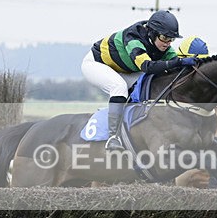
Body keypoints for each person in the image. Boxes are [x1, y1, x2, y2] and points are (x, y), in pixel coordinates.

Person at [81, 10, 198, 151]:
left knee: (144, 85)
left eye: (171, 39)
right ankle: (113, 137)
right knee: (119, 88)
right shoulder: (133, 38)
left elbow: (174, 66)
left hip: (123, 69)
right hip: (96, 64)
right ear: (152, 33)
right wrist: (178, 62)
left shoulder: (161, 44)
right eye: (164, 38)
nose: (167, 43)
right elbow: (147, 66)